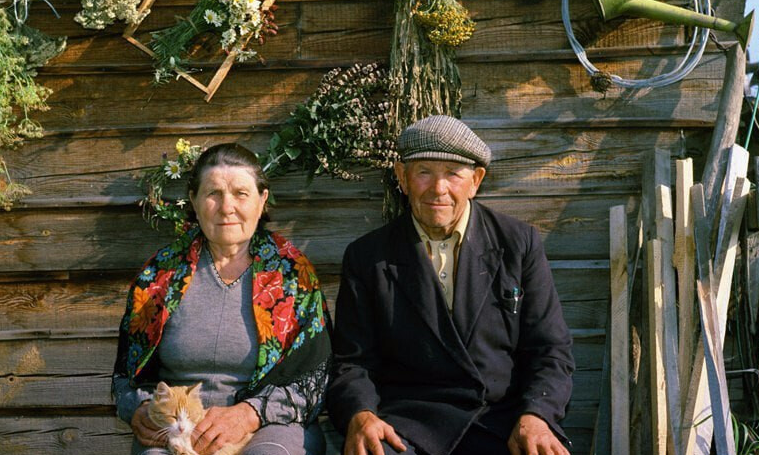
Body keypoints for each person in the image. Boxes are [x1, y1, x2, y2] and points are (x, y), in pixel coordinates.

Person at [327, 115, 575, 455]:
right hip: (409, 424)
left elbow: (551, 350)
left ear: (476, 180)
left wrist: (538, 414)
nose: (438, 188)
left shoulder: (518, 243)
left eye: (453, 174)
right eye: (424, 171)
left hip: (502, 420)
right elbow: (353, 362)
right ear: (402, 177)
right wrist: (362, 413)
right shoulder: (368, 257)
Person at [112, 143, 331, 455]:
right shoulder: (161, 275)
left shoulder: (294, 276)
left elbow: (314, 377)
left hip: (267, 428)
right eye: (214, 193)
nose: (227, 207)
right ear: (194, 200)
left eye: (241, 193)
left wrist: (249, 413)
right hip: (177, 432)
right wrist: (140, 408)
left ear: (262, 200)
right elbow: (126, 374)